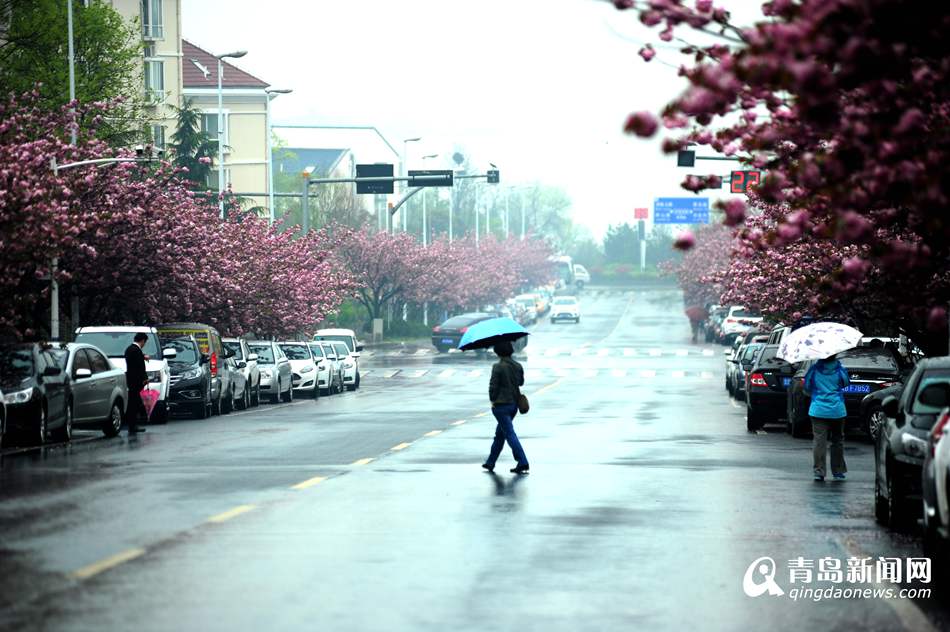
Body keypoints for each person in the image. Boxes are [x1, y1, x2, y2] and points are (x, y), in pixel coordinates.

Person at [482, 340, 529, 474]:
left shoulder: (498, 367)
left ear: (497, 352)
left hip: (501, 406)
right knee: (500, 434)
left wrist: (492, 400)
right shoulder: (518, 365)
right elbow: (521, 382)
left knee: (509, 433)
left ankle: (523, 461)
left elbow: (493, 387)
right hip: (513, 405)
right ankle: (490, 462)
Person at [804, 354, 850, 481]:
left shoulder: (813, 369)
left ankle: (819, 471)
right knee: (837, 441)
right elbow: (846, 383)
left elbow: (807, 386)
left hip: (818, 410)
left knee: (819, 442)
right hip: (837, 410)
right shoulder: (840, 369)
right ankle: (838, 471)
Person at [124, 332, 149, 435]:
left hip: (130, 380)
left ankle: (133, 424)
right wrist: (145, 378)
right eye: (145, 342)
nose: (144, 345)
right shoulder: (136, 350)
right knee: (134, 404)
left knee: (133, 403)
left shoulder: (130, 349)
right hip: (136, 381)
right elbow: (139, 367)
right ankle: (133, 426)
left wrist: (143, 356)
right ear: (142, 340)